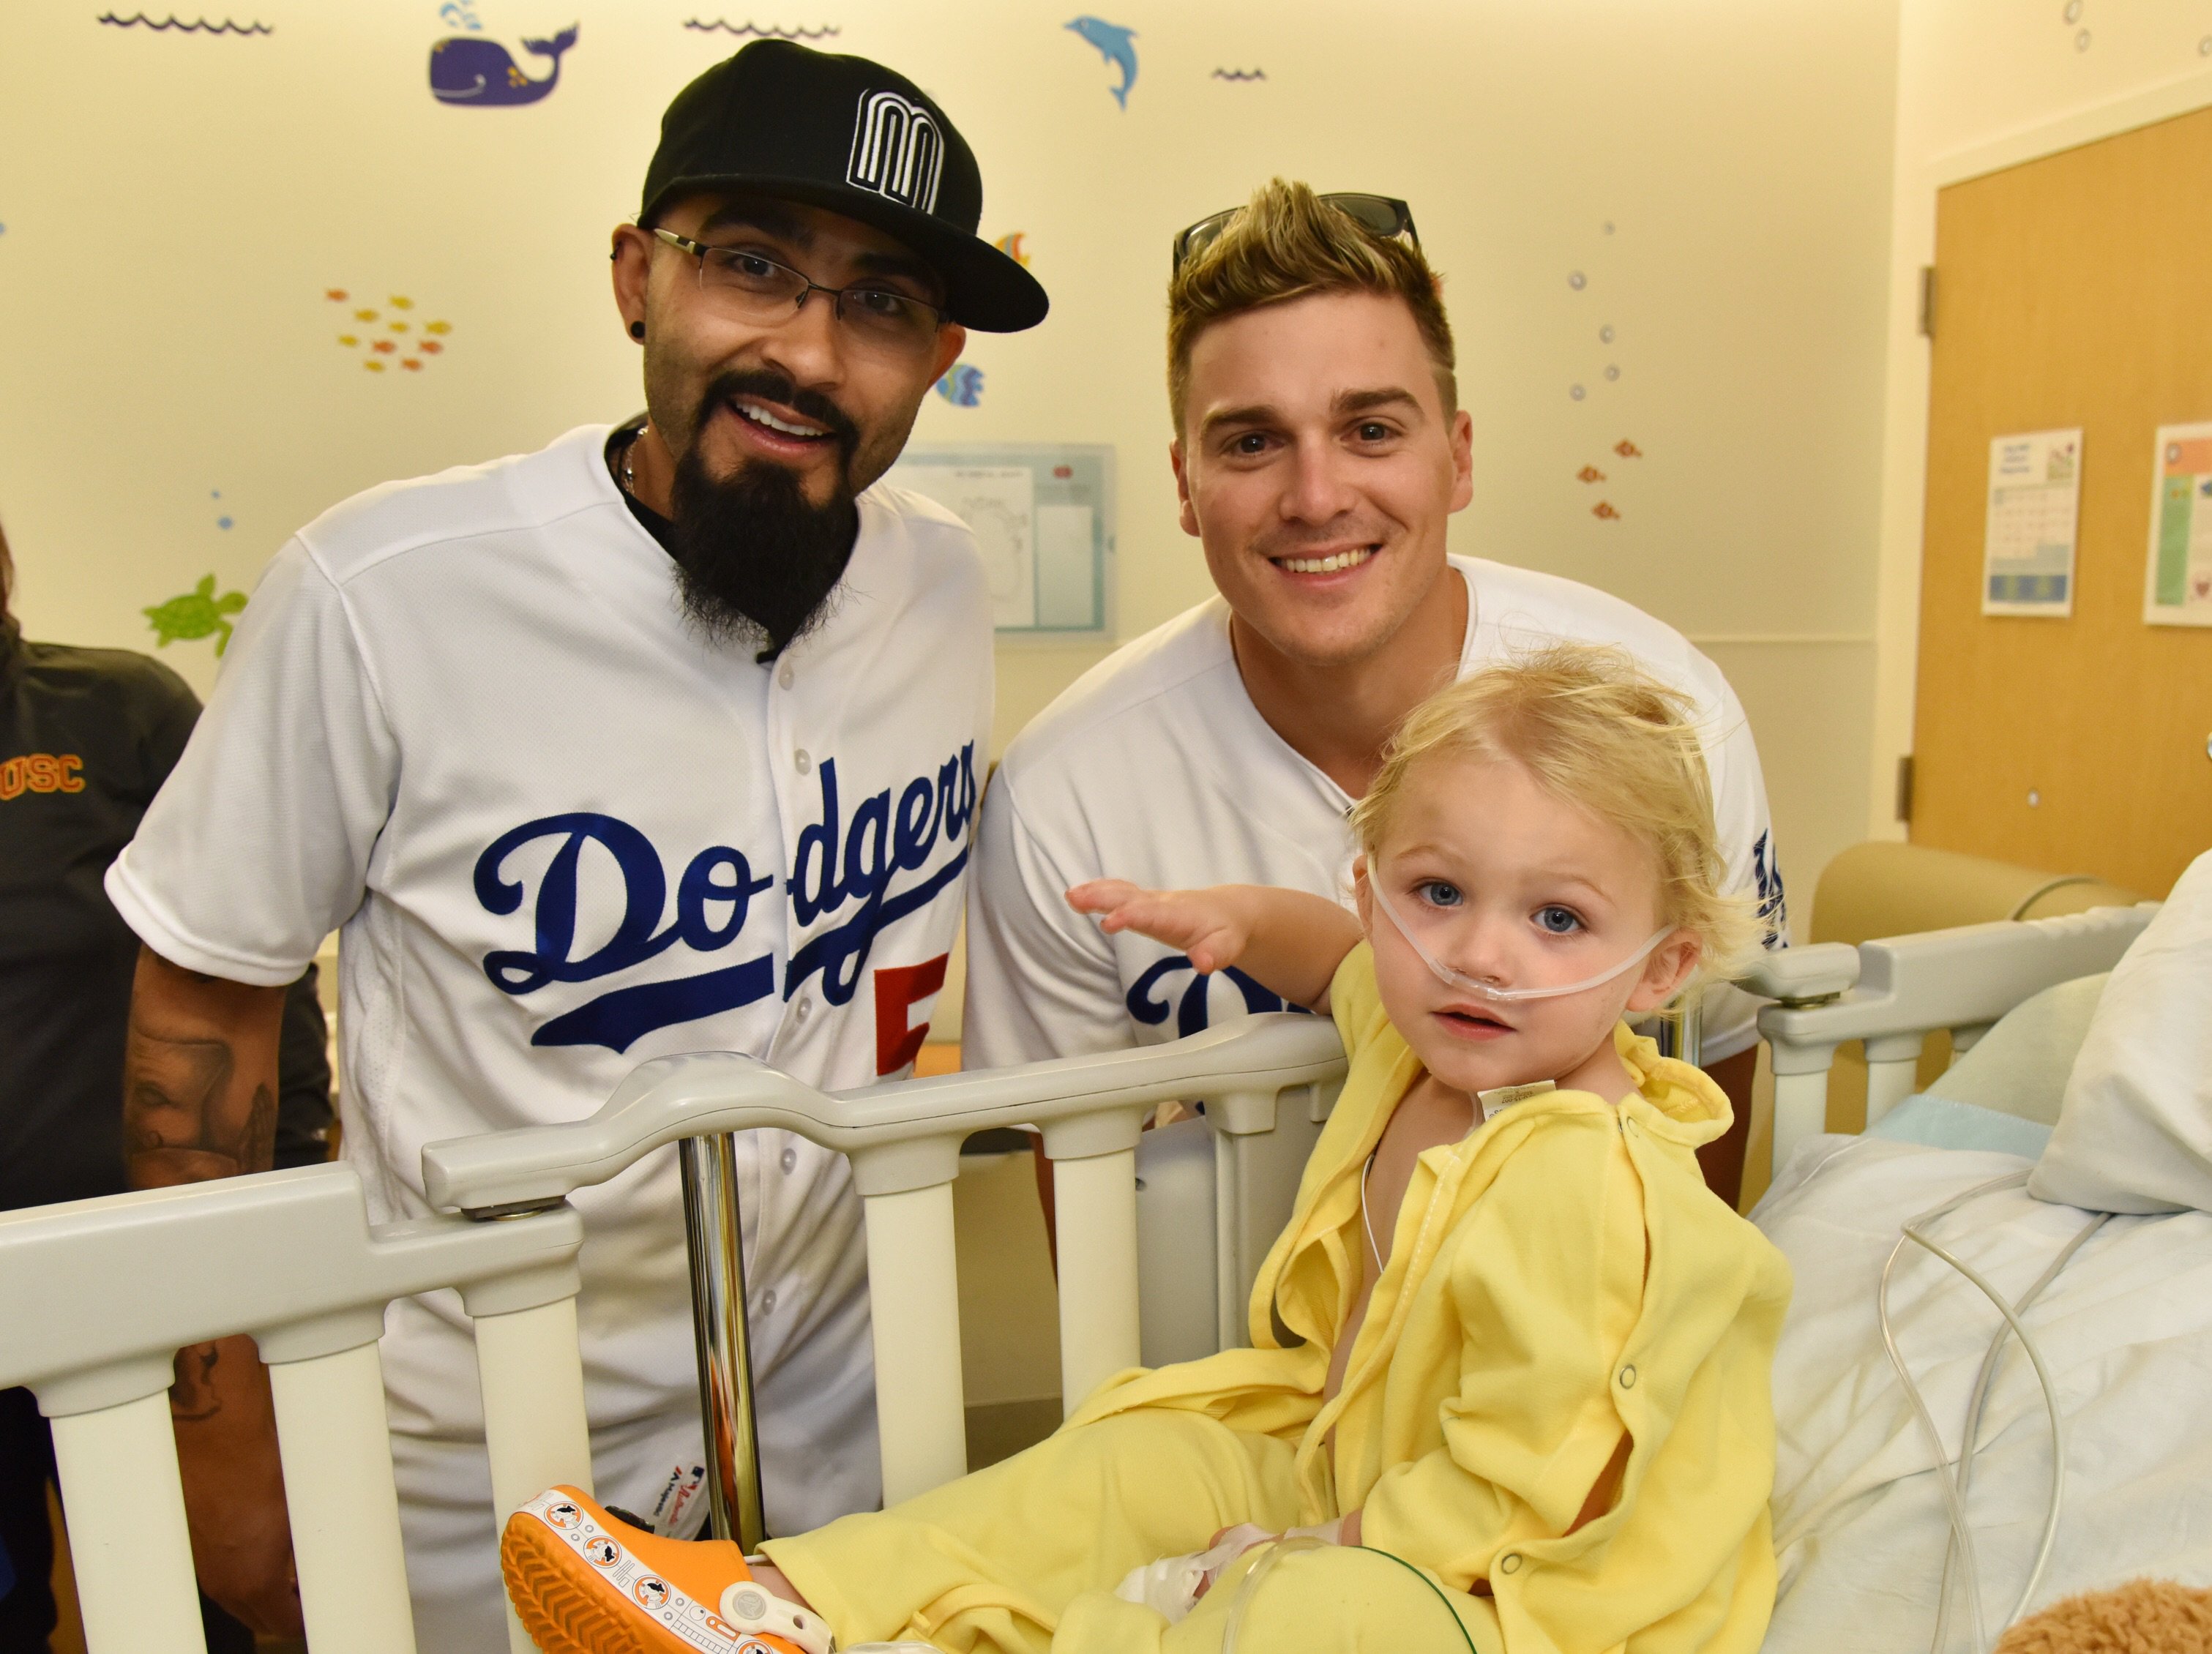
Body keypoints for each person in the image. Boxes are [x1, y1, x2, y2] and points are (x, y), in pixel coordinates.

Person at [101, 40, 1046, 1647]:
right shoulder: (385, 591)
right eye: (750, 264)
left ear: (938, 354)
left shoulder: (941, 582)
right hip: (466, 1454)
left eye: (878, 302)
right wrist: (230, 1451)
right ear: (635, 276)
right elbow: (203, 1003)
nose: (806, 351)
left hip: (835, 1433)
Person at [497, 644, 1794, 1654]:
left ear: (1660, 968)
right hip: (1342, 1454)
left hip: (1526, 1588)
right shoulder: (1431, 1034)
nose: (1477, 951)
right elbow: (1343, 964)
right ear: (1373, 886)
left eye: (1557, 918)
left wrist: (1304, 1550)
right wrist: (1237, 922)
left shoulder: (1585, 1177)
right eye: (1437, 892)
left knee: (1307, 1622)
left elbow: (1525, 1489)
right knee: (1130, 1461)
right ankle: (775, 1599)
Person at [962, 182, 1786, 1205]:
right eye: (1251, 442)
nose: (1315, 499)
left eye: (1371, 431)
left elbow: (1719, 1082)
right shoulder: (1064, 797)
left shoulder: (1665, 716)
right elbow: (1079, 1204)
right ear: (1184, 483)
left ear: (1459, 457)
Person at [0, 517, 332, 1653]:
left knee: (215, 1585)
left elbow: (249, 967)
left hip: (142, 1283)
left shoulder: (116, 712)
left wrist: (277, 1197)